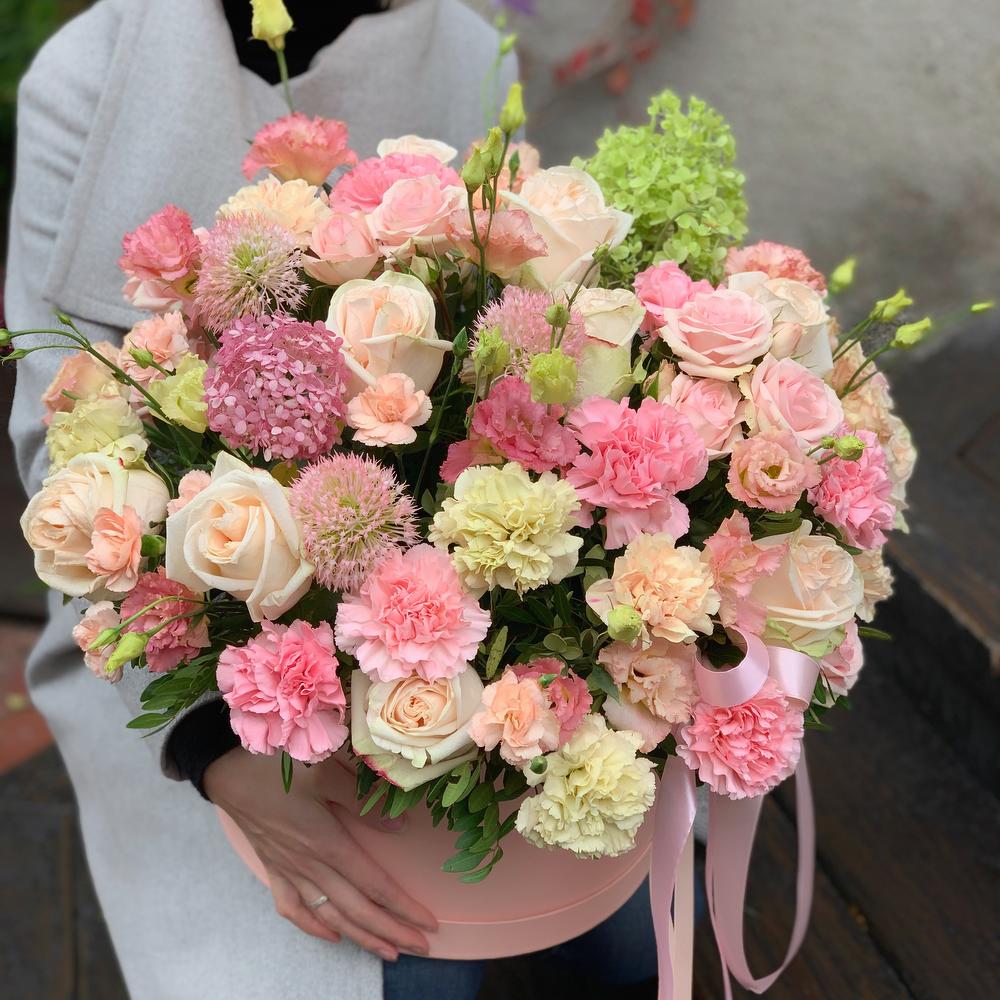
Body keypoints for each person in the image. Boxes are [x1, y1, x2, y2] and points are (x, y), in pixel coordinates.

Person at [7, 2, 657, 997]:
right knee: (398, 969)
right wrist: (211, 749)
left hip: (473, 609)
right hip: (183, 648)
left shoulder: (468, 49)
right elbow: (63, 456)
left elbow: (523, 335)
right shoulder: (88, 76)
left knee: (638, 934)